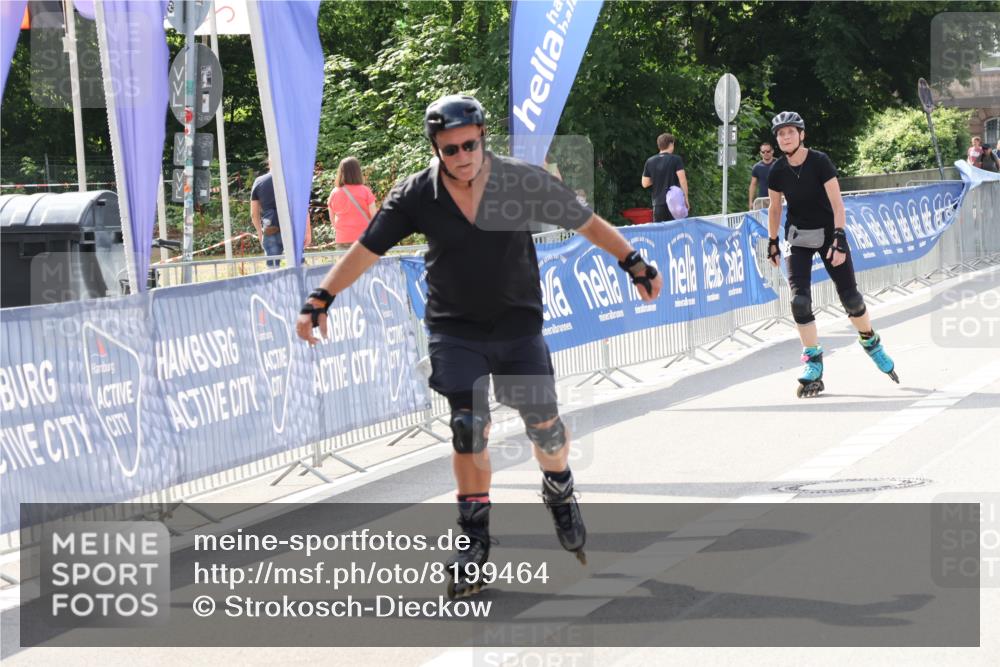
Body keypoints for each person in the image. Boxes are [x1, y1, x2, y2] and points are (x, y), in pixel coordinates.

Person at [296, 94, 663, 597]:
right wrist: (321, 297)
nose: (462, 156)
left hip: (517, 324)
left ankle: (559, 488)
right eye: (450, 149)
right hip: (455, 328)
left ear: (483, 138)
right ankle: (473, 539)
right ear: (436, 149)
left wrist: (634, 263)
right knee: (469, 427)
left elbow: (585, 222)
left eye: (470, 145)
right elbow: (367, 249)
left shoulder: (520, 180)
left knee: (546, 430)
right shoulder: (416, 195)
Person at [765, 111, 898, 398]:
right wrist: (772, 241)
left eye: (790, 132)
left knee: (851, 298)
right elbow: (775, 208)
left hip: (829, 235)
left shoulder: (820, 162)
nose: (785, 137)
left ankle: (870, 341)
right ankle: (813, 363)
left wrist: (839, 237)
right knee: (799, 301)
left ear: (802, 135)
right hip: (798, 237)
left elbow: (838, 203)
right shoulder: (776, 170)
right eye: (780, 134)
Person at [251, 158, 312, 268]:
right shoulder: (293, 180)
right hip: (292, 229)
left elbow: (254, 214)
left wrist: (260, 233)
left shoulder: (259, 181)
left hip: (270, 228)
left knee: (272, 270)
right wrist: (307, 231)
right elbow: (302, 209)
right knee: (300, 267)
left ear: (269, 163)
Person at [327, 157, 378, 250]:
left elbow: (332, 218)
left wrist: (341, 231)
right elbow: (374, 216)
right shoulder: (365, 191)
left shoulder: (334, 192)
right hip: (364, 238)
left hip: (342, 238)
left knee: (346, 265)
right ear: (357, 172)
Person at [641, 133, 689, 221]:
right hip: (675, 203)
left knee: (660, 233)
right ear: (671, 144)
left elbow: (645, 183)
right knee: (676, 231)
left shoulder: (650, 161)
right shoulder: (676, 159)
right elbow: (682, 180)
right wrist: (686, 198)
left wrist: (657, 177)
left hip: (658, 203)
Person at [749, 141, 776, 209]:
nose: (765, 153)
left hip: (777, 199)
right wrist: (750, 202)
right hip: (761, 201)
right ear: (760, 153)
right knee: (760, 219)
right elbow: (753, 185)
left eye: (768, 151)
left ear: (772, 151)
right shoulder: (757, 167)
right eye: (763, 152)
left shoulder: (779, 165)